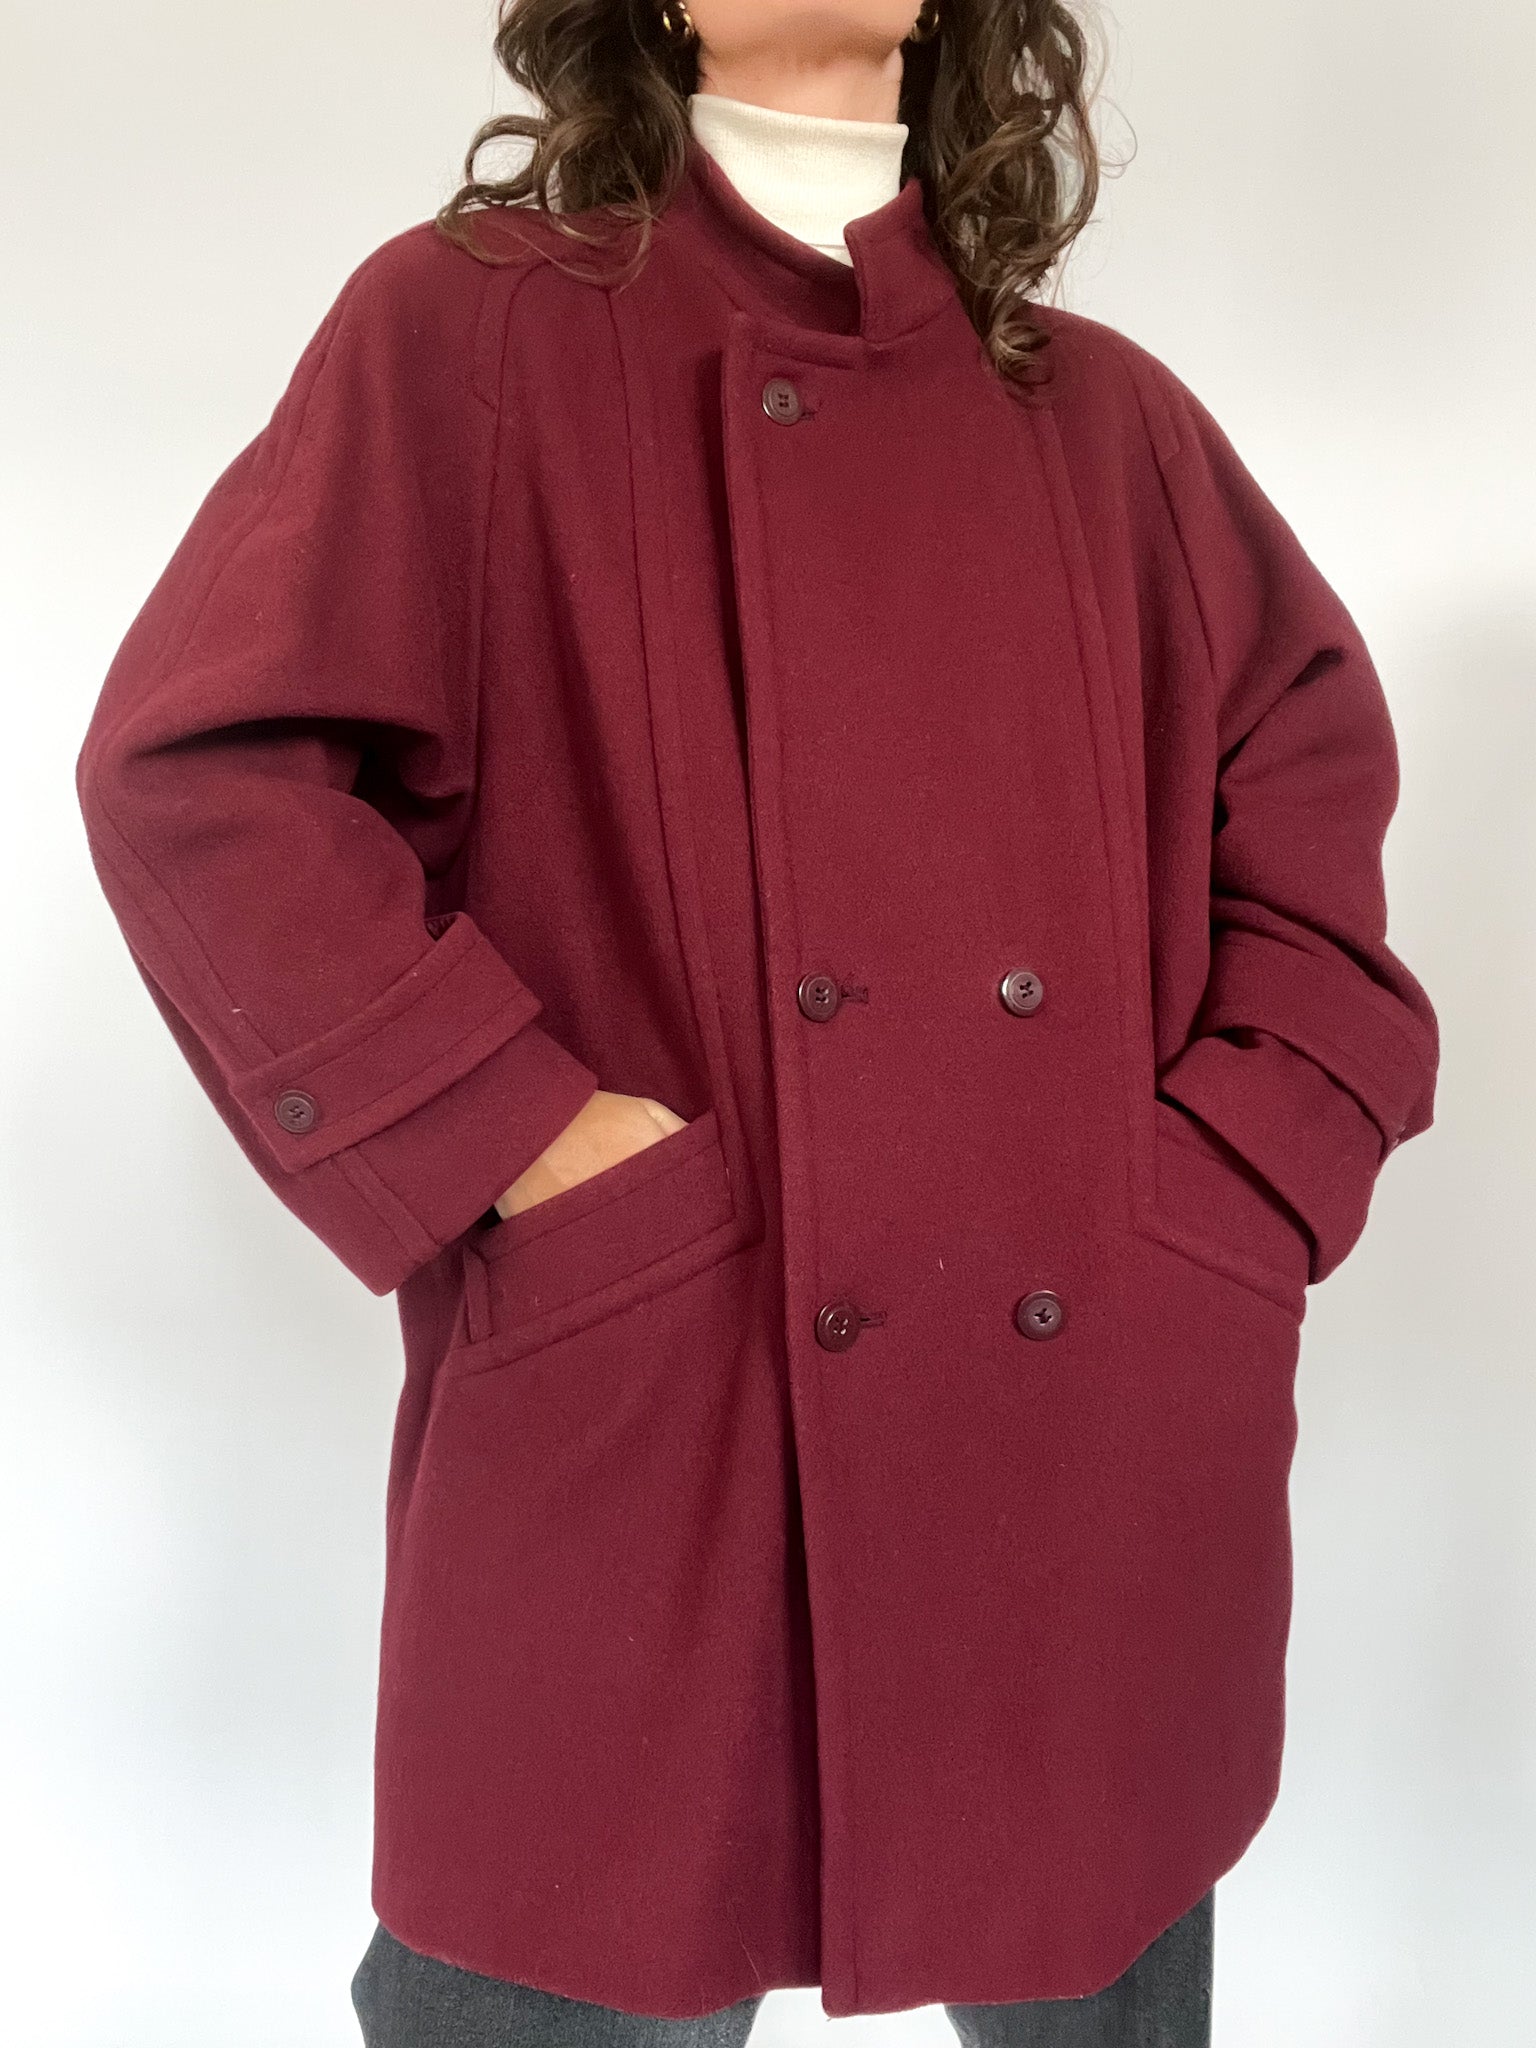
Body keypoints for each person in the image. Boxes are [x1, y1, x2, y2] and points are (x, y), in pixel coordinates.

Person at [74, 0, 1440, 2043]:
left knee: (1096, 1946)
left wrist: (1228, 1193)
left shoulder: (1117, 423)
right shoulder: (467, 335)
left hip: (1086, 1439)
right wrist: (517, 1138)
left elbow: (1311, 808)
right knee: (552, 1954)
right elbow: (201, 776)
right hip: (659, 1396)